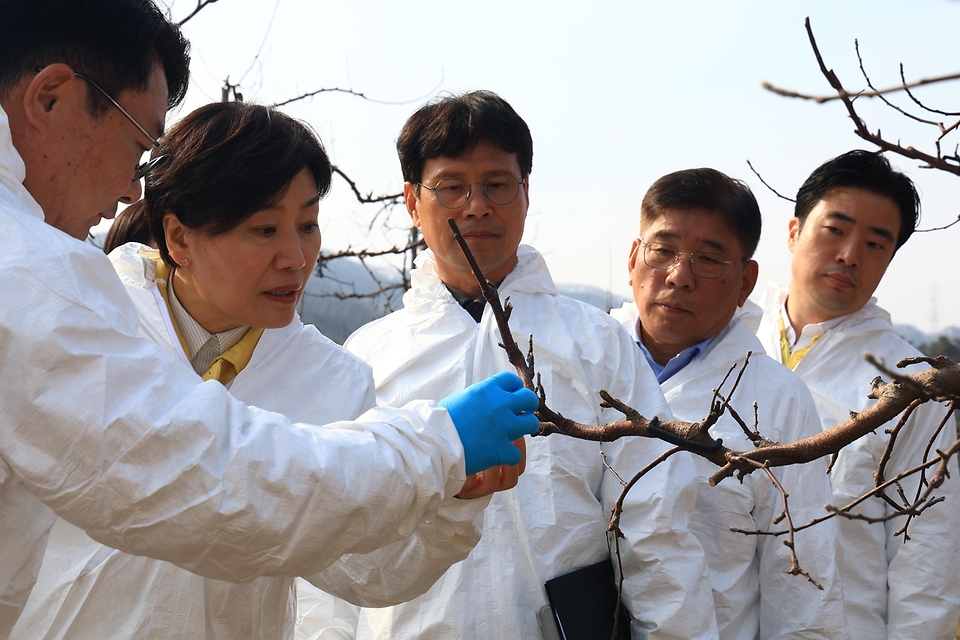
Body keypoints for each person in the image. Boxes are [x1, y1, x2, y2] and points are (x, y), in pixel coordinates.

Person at [0, 2, 540, 635]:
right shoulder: (71, 300)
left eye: (309, 225)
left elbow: (360, 569)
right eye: (263, 229)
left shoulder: (329, 376)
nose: (297, 258)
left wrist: (452, 498)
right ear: (179, 239)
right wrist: (438, 443)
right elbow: (201, 475)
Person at [344, 90, 718, 639]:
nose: (476, 206)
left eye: (497, 184)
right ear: (411, 200)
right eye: (451, 187)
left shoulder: (597, 344)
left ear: (525, 193)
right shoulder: (367, 357)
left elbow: (656, 529)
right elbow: (331, 544)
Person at [610, 168, 846, 638]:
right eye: (663, 251)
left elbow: (800, 578)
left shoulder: (777, 399)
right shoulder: (582, 359)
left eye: (708, 259)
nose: (679, 277)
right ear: (635, 256)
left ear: (745, 280)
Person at [753, 150, 960, 638]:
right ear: (793, 230)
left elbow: (927, 558)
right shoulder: (729, 337)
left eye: (874, 243)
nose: (850, 254)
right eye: (835, 229)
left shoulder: (913, 384)